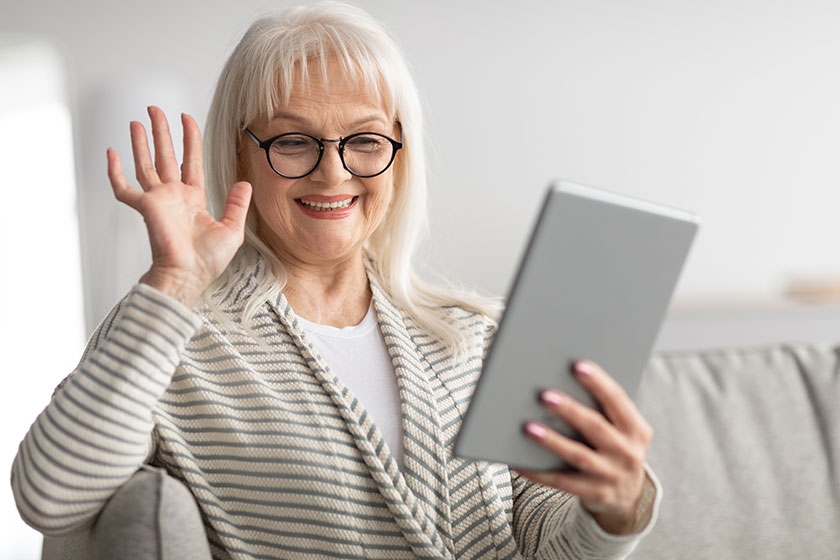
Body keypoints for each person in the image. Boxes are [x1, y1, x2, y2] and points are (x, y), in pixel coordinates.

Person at [12, 2, 660, 558]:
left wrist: (618, 508)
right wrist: (175, 282)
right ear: (242, 153)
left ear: (400, 154)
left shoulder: (477, 334)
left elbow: (546, 540)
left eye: (366, 141)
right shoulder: (176, 338)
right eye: (294, 141)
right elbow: (49, 494)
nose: (333, 173)